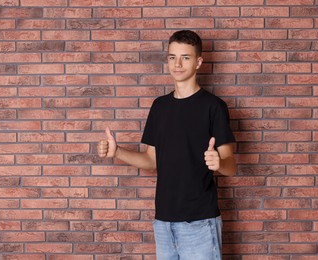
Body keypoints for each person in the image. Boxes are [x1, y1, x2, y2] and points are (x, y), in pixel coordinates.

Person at [97, 30, 236, 260]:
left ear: (199, 62)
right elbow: (151, 160)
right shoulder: (160, 107)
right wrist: (117, 152)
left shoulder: (214, 107)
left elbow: (231, 167)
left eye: (186, 57)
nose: (177, 64)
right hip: (163, 223)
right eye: (172, 57)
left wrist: (219, 162)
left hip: (199, 223)